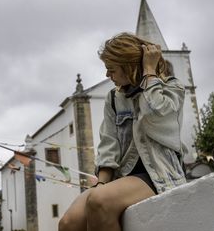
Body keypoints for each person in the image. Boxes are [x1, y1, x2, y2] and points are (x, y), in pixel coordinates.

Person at [58, 32, 186, 231]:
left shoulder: (171, 87)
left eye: (111, 69)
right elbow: (109, 144)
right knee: (68, 223)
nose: (107, 75)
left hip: (159, 174)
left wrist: (149, 73)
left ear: (128, 66)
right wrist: (101, 184)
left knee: (100, 201)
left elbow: (156, 116)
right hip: (122, 177)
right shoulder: (113, 98)